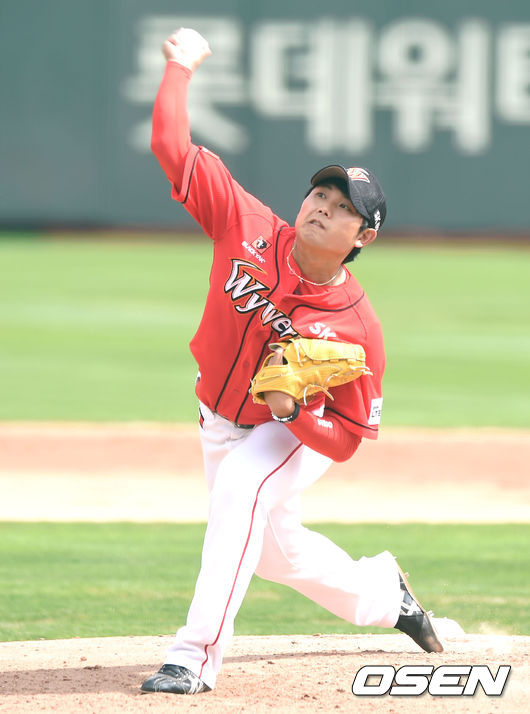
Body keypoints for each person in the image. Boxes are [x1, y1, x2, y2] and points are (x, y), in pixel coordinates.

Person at [140, 27, 444, 696]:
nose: (322, 210)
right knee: (277, 553)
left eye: (343, 210)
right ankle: (386, 595)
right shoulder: (245, 224)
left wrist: (296, 414)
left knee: (241, 490)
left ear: (364, 237)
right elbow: (170, 147)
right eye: (320, 197)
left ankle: (193, 656)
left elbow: (351, 436)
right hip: (217, 417)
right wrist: (181, 66)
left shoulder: (356, 328)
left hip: (288, 434)